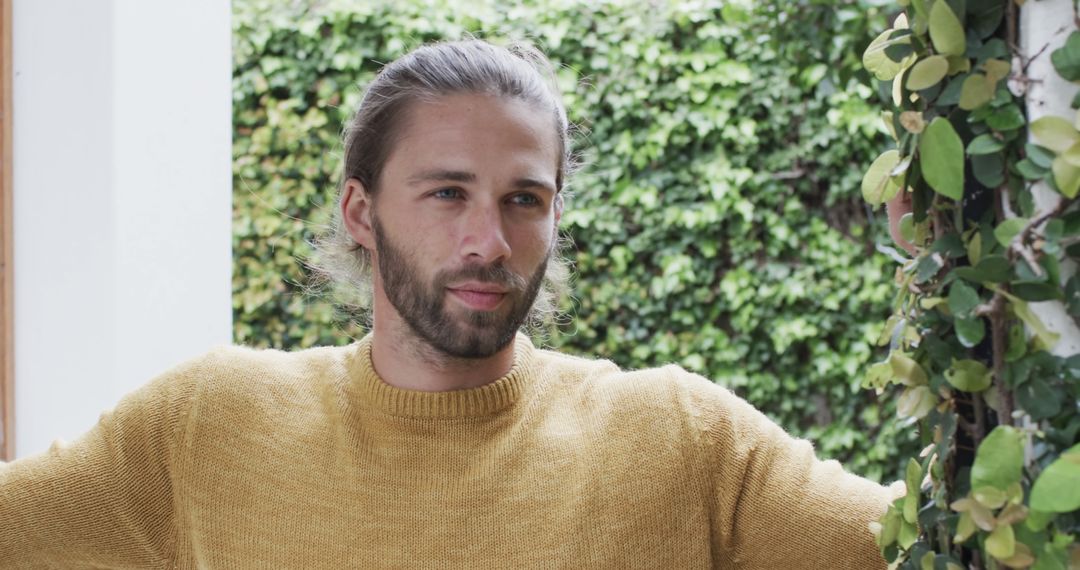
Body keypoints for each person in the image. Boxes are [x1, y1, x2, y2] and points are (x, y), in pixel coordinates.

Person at [0, 39, 901, 568]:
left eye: (525, 199)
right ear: (362, 210)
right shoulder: (206, 424)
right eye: (446, 193)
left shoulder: (677, 435)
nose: (490, 242)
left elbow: (940, 540)